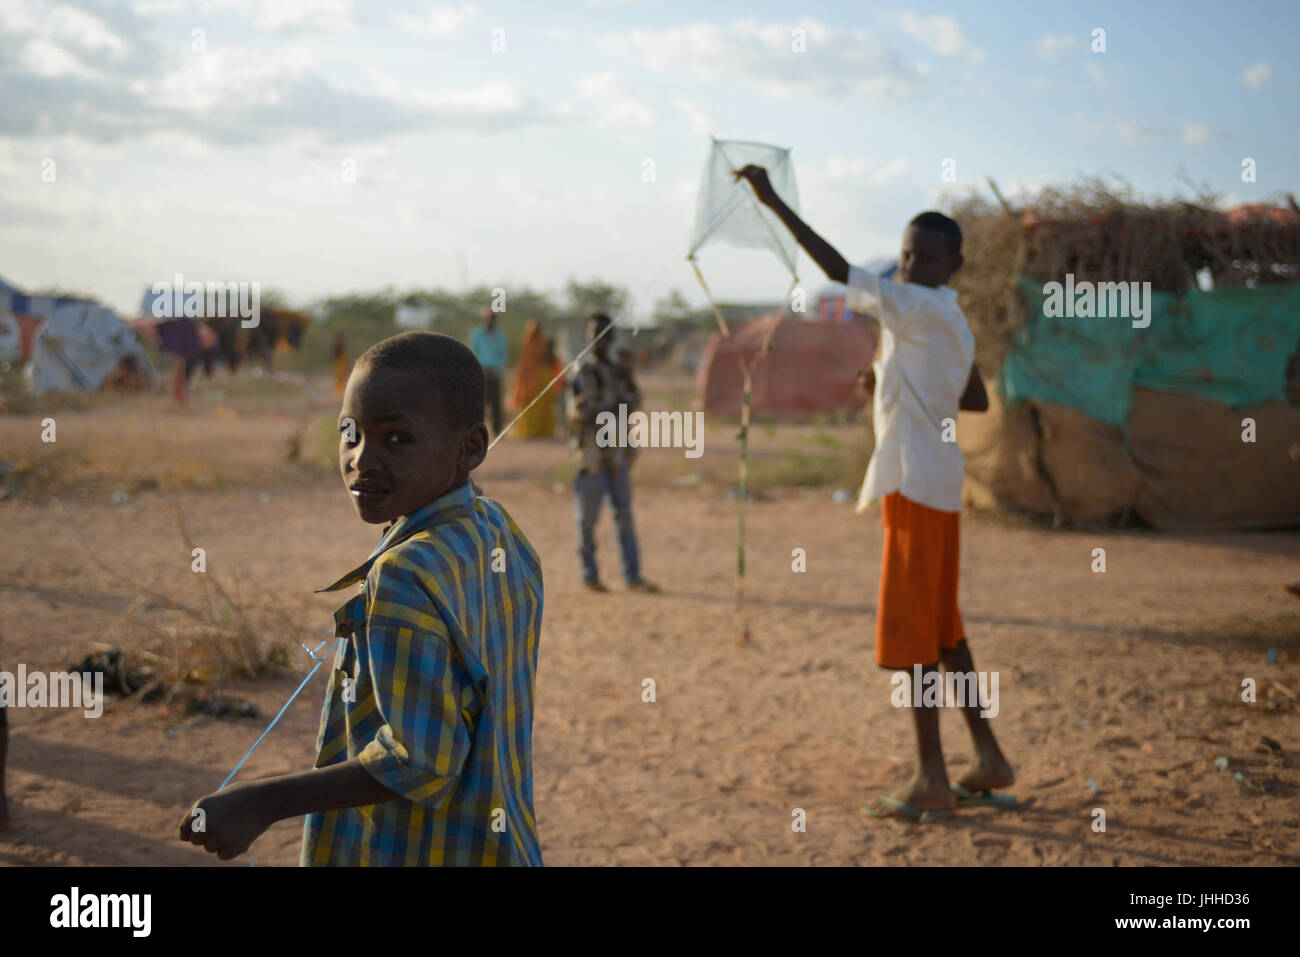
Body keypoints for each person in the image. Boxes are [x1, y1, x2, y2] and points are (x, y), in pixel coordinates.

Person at [179, 331, 544, 865]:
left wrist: (263, 801)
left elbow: (424, 759)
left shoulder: (404, 574)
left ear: (470, 448)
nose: (361, 459)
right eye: (349, 433)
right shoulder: (495, 528)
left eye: (397, 439)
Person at [735, 164, 1008, 823]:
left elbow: (836, 269)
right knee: (944, 630)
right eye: (907, 253)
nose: (910, 264)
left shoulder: (911, 305)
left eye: (926, 256)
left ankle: (932, 778)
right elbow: (971, 396)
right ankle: (988, 755)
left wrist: (774, 201)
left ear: (956, 263)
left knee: (915, 634)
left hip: (915, 485)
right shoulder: (948, 316)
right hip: (937, 484)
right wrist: (890, 376)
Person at [569, 314, 657, 593]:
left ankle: (632, 576)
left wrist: (627, 381)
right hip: (592, 457)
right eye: (595, 333)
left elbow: (634, 401)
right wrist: (611, 408)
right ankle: (590, 575)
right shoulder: (581, 371)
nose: (600, 340)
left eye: (605, 334)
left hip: (618, 454)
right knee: (587, 522)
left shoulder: (619, 371)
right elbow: (578, 412)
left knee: (625, 518)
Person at [510, 320, 562, 439]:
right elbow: (524, 365)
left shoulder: (545, 345)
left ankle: (544, 431)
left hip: (543, 378)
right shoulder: (527, 345)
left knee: (544, 405)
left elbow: (550, 360)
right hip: (529, 380)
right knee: (529, 405)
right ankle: (529, 431)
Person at [470, 308, 508, 438]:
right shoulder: (477, 334)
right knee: (481, 402)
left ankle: (497, 430)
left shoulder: (500, 335)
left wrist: (496, 366)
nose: (490, 320)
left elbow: (504, 354)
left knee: (496, 403)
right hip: (482, 372)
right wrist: (481, 366)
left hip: (496, 373)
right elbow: (473, 352)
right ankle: (477, 430)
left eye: (492, 318)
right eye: (488, 318)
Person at [331, 331, 349, 399]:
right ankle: (338, 394)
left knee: (342, 378)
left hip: (342, 364)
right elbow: (335, 356)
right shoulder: (337, 345)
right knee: (339, 379)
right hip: (339, 364)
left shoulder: (341, 345)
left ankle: (339, 393)